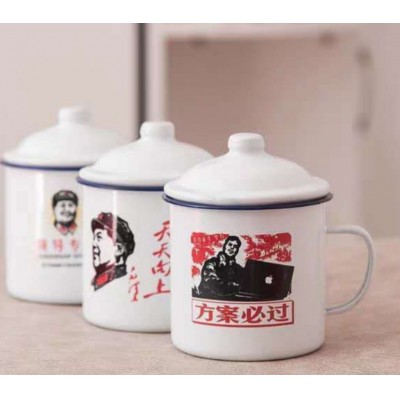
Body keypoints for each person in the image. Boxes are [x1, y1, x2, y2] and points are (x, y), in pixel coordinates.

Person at [91, 212, 135, 291]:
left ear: (118, 249)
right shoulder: (98, 282)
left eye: (99, 237)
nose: (94, 244)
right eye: (94, 238)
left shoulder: (118, 281)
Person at [197, 236, 243, 300]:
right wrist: (235, 287)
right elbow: (213, 284)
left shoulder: (239, 269)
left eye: (235, 246)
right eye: (230, 244)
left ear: (237, 250)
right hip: (209, 300)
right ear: (224, 246)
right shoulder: (212, 263)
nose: (232, 247)